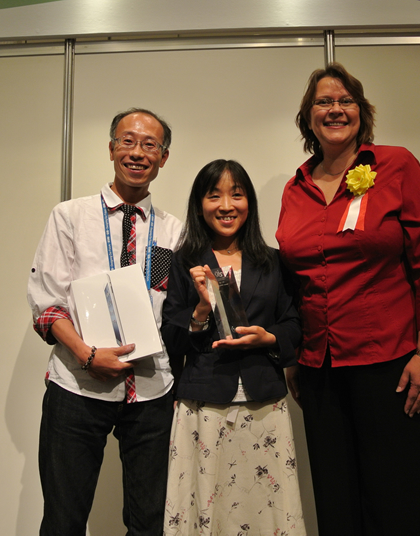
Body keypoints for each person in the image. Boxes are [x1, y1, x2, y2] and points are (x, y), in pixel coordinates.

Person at [276, 63, 420, 535]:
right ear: (308, 117)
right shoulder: (295, 187)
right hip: (320, 369)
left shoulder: (396, 166)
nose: (335, 109)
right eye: (324, 101)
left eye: (346, 101)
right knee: (336, 503)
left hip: (394, 362)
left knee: (395, 501)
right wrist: (293, 357)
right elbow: (293, 280)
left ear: (362, 112)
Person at [27, 108, 183, 536]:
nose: (137, 152)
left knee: (149, 523)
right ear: (112, 148)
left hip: (151, 390)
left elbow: (172, 307)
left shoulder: (174, 231)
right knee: (63, 520)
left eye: (149, 145)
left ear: (163, 157)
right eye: (128, 141)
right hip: (77, 386)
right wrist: (87, 354)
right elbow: (47, 303)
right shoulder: (70, 216)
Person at [161, 160, 305, 536]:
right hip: (204, 403)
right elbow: (171, 337)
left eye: (236, 195)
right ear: (199, 206)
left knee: (266, 509)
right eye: (215, 196)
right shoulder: (184, 262)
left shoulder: (272, 261)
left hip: (264, 402)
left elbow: (293, 323)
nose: (226, 205)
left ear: (249, 203)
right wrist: (200, 310)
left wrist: (268, 338)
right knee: (206, 507)